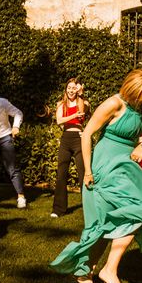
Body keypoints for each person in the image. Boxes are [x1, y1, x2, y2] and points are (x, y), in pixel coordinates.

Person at [50, 69, 142, 283]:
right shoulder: (114, 104)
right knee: (103, 225)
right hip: (105, 165)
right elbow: (87, 134)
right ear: (135, 91)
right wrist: (87, 172)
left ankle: (108, 269)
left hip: (127, 166)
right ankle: (87, 273)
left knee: (139, 212)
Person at [52, 78, 89, 218]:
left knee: (82, 172)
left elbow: (82, 110)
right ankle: (58, 209)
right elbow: (59, 120)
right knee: (61, 173)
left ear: (78, 90)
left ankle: (89, 206)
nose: (71, 90)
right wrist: (73, 115)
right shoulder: (61, 104)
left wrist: (80, 94)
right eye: (69, 88)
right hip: (66, 139)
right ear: (66, 89)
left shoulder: (83, 102)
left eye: (74, 88)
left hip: (79, 139)